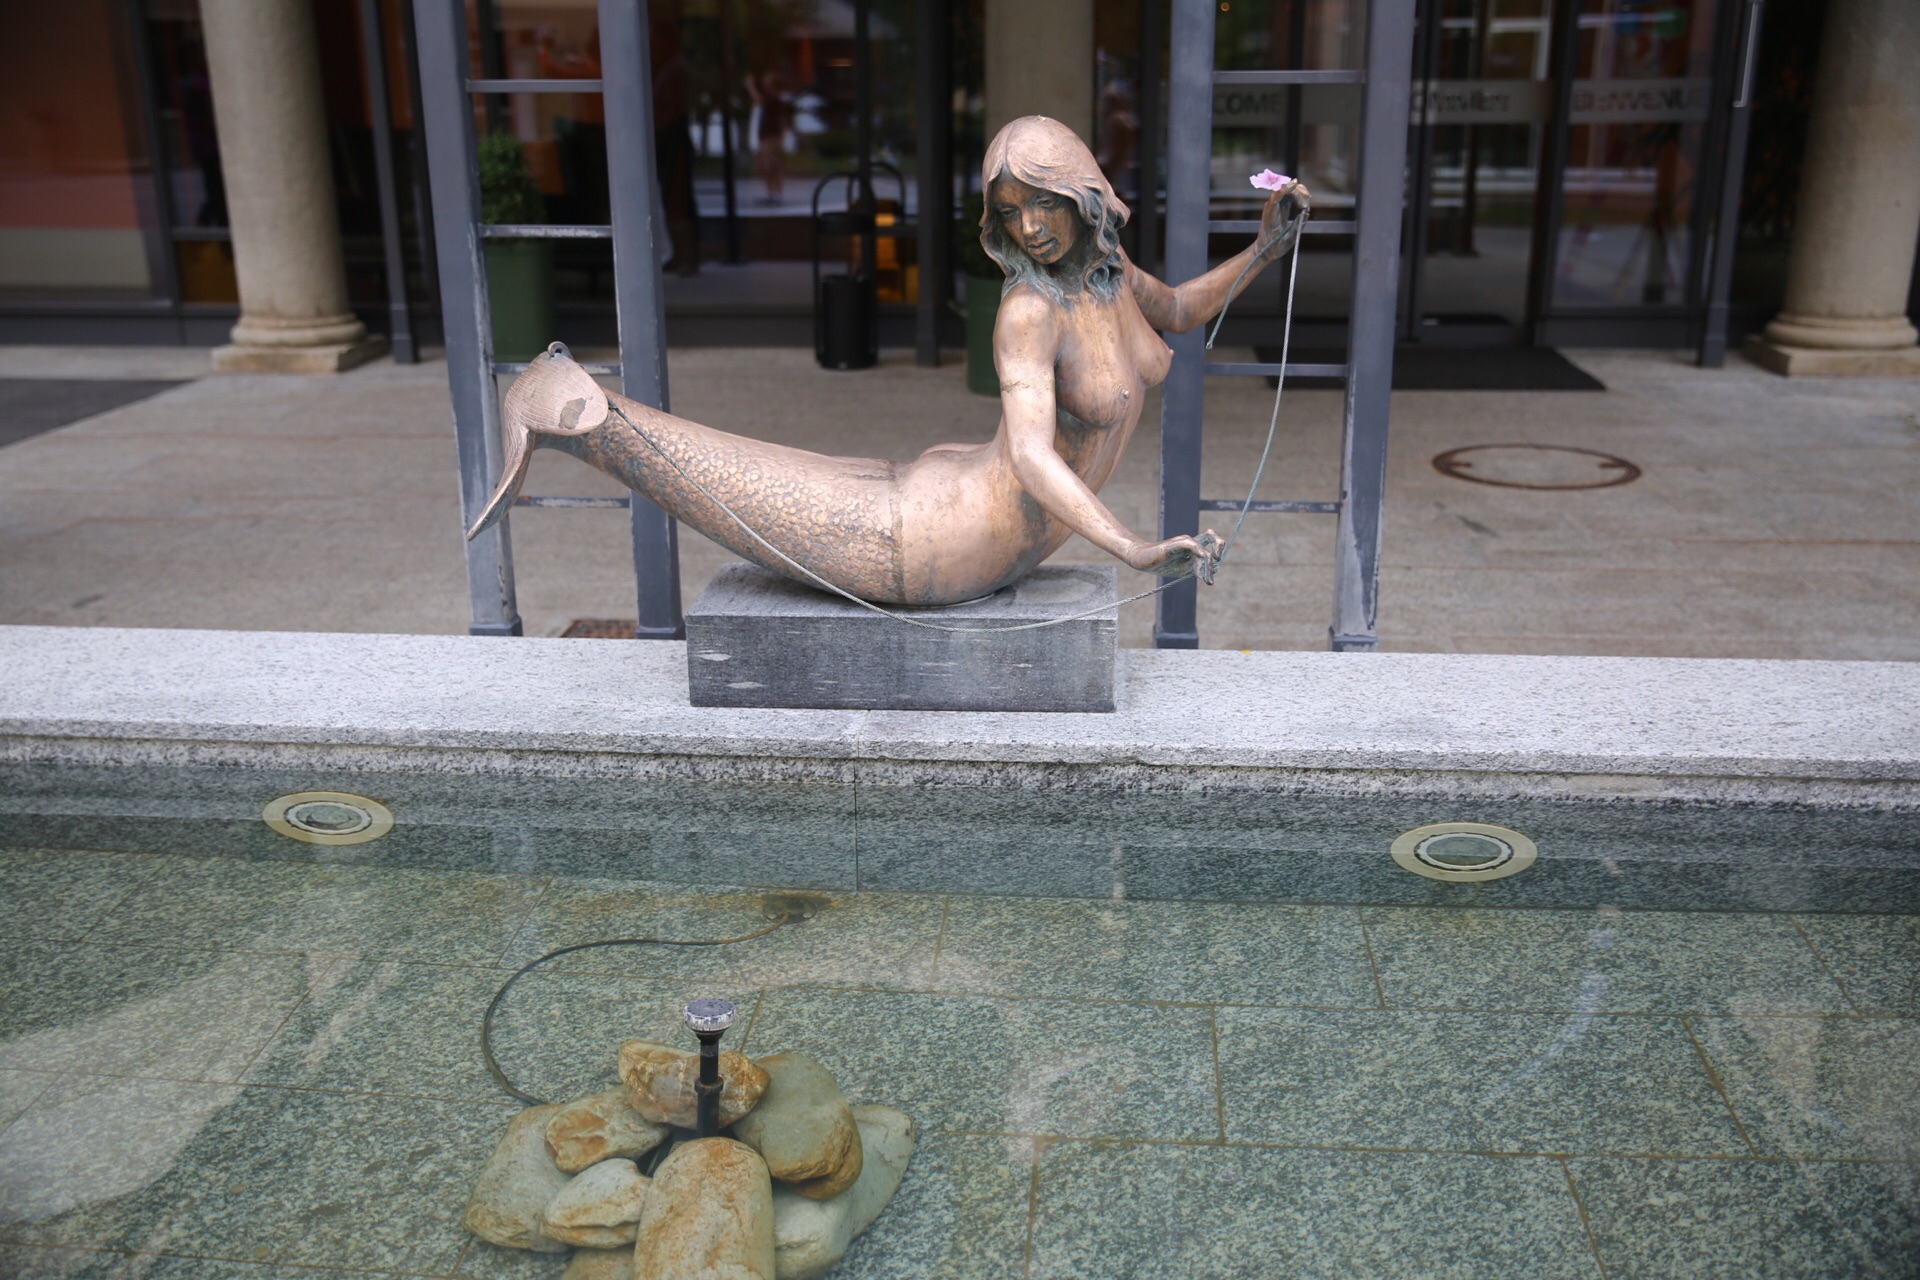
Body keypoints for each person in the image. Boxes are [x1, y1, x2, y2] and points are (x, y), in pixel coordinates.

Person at [469, 115, 1308, 607]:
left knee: (758, 484)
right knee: (730, 486)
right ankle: (570, 411)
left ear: (1081, 193)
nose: (1029, 229)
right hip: (944, 540)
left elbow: (1180, 309)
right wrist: (1130, 547)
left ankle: (572, 403)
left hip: (961, 497)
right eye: (1010, 213)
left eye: (1043, 204)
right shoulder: (1029, 312)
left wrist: (1265, 250)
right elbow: (1029, 454)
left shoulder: (1109, 273)